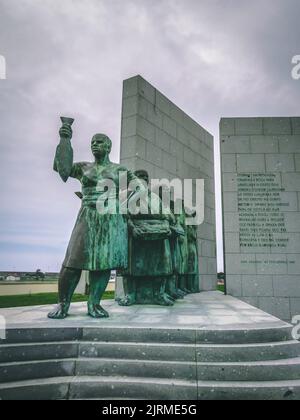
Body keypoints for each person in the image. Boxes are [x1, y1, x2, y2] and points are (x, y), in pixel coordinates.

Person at [48, 122, 140, 319]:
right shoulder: (84, 168)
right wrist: (65, 140)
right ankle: (63, 304)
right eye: (92, 142)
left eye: (99, 142)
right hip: (87, 215)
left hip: (109, 218)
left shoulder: (118, 170)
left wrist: (123, 206)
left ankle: (94, 304)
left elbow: (138, 187)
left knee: (103, 263)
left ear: (108, 146)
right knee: (72, 260)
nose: (94, 145)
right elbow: (62, 169)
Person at [118, 170, 174, 306]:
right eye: (139, 178)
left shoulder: (155, 198)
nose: (142, 180)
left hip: (157, 234)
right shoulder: (127, 197)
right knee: (130, 268)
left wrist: (166, 224)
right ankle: (130, 295)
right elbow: (122, 215)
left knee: (161, 266)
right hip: (135, 235)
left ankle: (159, 294)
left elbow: (169, 215)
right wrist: (132, 228)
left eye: (144, 178)